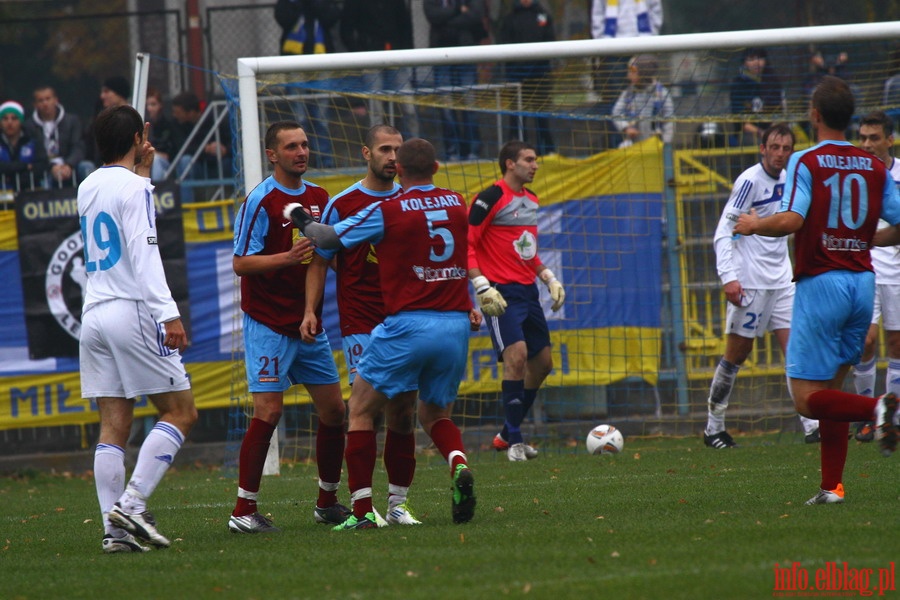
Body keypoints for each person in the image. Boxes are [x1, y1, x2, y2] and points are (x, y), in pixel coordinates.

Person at [286, 137, 479, 528]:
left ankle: (362, 513)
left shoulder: (387, 209)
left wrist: (299, 217)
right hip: (455, 323)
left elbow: (326, 239)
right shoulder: (458, 203)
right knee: (430, 413)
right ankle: (457, 463)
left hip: (405, 324)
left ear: (401, 171)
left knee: (359, 411)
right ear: (437, 168)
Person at [734, 76, 900, 506]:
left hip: (822, 284)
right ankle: (832, 487)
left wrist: (754, 225)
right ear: (849, 118)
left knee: (808, 401)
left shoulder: (806, 162)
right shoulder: (875, 167)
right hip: (862, 285)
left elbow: (791, 221)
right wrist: (871, 240)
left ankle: (879, 408)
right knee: (832, 393)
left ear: (814, 115)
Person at [78, 104, 197, 552]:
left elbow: (121, 200)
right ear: (136, 140)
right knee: (181, 410)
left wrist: (140, 171)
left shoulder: (88, 185)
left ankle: (114, 535)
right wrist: (168, 313)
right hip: (131, 309)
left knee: (114, 422)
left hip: (95, 313)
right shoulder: (135, 190)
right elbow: (144, 254)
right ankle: (131, 504)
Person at [229, 120, 349, 533]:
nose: (301, 152)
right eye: (291, 146)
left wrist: (314, 305)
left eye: (304, 145)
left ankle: (328, 502)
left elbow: (325, 257)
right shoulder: (260, 200)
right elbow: (240, 263)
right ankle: (243, 512)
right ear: (272, 154)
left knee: (335, 411)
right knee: (269, 411)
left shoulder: (320, 197)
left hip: (306, 324)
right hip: (267, 324)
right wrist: (285, 258)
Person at [301, 124, 420, 526]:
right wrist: (310, 310)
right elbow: (319, 262)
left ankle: (398, 505)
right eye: (385, 149)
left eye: (397, 149)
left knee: (404, 410)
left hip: (405, 320)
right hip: (361, 322)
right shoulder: (344, 203)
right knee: (364, 406)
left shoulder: (410, 201)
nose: (392, 157)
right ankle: (361, 506)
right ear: (366, 153)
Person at [704, 123, 819, 449]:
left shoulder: (792, 180)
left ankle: (812, 425)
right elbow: (724, 231)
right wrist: (729, 276)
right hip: (750, 283)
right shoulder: (749, 181)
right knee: (736, 356)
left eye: (786, 148)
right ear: (763, 149)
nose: (780, 153)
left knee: (797, 350)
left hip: (782, 282)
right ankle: (713, 427)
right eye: (775, 147)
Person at [467, 140, 565, 461]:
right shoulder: (490, 198)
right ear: (510, 163)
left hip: (528, 292)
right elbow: (467, 244)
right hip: (500, 292)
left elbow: (527, 250)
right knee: (517, 356)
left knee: (543, 364)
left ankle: (507, 432)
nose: (535, 165)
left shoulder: (531, 200)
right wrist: (481, 285)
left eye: (535, 160)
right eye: (529, 160)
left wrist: (548, 277)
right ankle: (516, 442)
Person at [850, 110, 900, 442]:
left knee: (896, 345)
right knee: (865, 341)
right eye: (863, 137)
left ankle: (891, 419)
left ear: (889, 140)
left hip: (896, 272)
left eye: (874, 138)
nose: (867, 144)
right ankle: (866, 414)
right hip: (864, 269)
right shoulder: (855, 173)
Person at [340, 0, 420, 139]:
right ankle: (377, 150)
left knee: (409, 107)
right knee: (375, 110)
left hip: (397, 58)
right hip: (370, 59)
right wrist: (360, 52)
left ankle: (415, 149)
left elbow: (406, 26)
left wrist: (407, 54)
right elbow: (346, 28)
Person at [275, 0, 340, 169]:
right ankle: (300, 162)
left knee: (321, 118)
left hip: (322, 61)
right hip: (294, 62)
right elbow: (282, 18)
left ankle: (326, 163)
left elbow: (332, 17)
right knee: (298, 118)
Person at [423, 0, 486, 161]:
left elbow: (475, 15)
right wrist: (459, 10)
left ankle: (473, 150)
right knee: (446, 107)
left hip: (465, 55)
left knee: (469, 104)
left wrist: (447, 20)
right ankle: (453, 151)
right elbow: (433, 16)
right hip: (441, 57)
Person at [499, 0, 556, 156]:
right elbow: (504, 44)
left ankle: (546, 149)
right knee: (518, 116)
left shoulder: (542, 16)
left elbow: (550, 40)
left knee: (541, 114)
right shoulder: (510, 19)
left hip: (540, 74)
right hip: (517, 76)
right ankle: (518, 151)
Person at [25, 85, 87, 187]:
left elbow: (78, 146)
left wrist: (69, 164)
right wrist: (51, 167)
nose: (45, 103)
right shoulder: (29, 126)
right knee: (43, 180)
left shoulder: (72, 121)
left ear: (56, 100)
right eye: (41, 100)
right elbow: (35, 153)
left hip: (69, 165)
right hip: (45, 168)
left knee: (86, 166)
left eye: (48, 99)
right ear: (35, 105)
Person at [610, 54, 674, 148]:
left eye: (632, 72)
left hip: (656, 145)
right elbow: (616, 112)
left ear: (644, 73)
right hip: (634, 145)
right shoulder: (628, 93)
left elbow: (669, 120)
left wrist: (665, 144)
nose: (628, 76)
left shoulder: (662, 94)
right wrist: (626, 127)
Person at [729, 48, 784, 148]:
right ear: (744, 62)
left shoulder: (773, 81)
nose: (756, 63)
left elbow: (779, 113)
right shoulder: (738, 84)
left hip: (773, 131)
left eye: (760, 58)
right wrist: (761, 133)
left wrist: (771, 132)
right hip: (749, 133)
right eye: (751, 59)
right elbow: (742, 122)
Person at [82, 76, 132, 174]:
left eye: (106, 91)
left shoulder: (138, 116)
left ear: (119, 93)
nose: (102, 96)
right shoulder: (100, 119)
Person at [0, 100, 48, 191]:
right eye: (5, 119)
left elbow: (41, 166)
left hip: (29, 193)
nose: (9, 122)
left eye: (14, 118)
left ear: (21, 121)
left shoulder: (33, 140)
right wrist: (24, 166)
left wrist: (11, 177)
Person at [144, 87, 180, 182]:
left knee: (156, 160)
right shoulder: (143, 125)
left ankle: (157, 190)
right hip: (146, 159)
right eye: (147, 105)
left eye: (153, 104)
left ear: (160, 105)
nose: (150, 108)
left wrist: (158, 154)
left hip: (166, 163)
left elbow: (174, 149)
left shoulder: (169, 125)